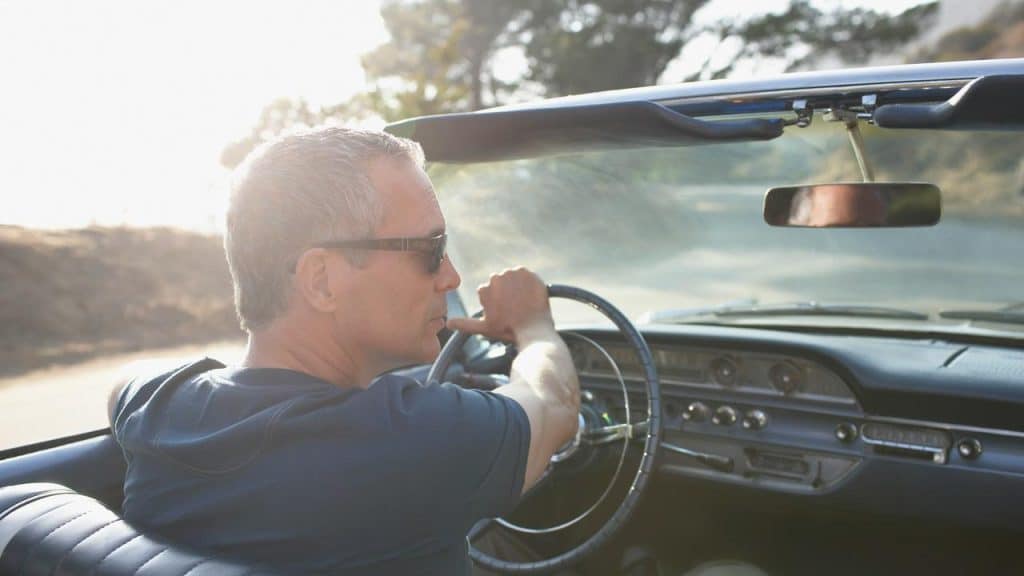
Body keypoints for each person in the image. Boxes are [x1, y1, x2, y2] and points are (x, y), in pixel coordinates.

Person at [107, 127, 580, 575]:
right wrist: (533, 323)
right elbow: (555, 402)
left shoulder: (160, 404)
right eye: (430, 250)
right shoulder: (411, 441)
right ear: (322, 281)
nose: (451, 277)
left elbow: (122, 385)